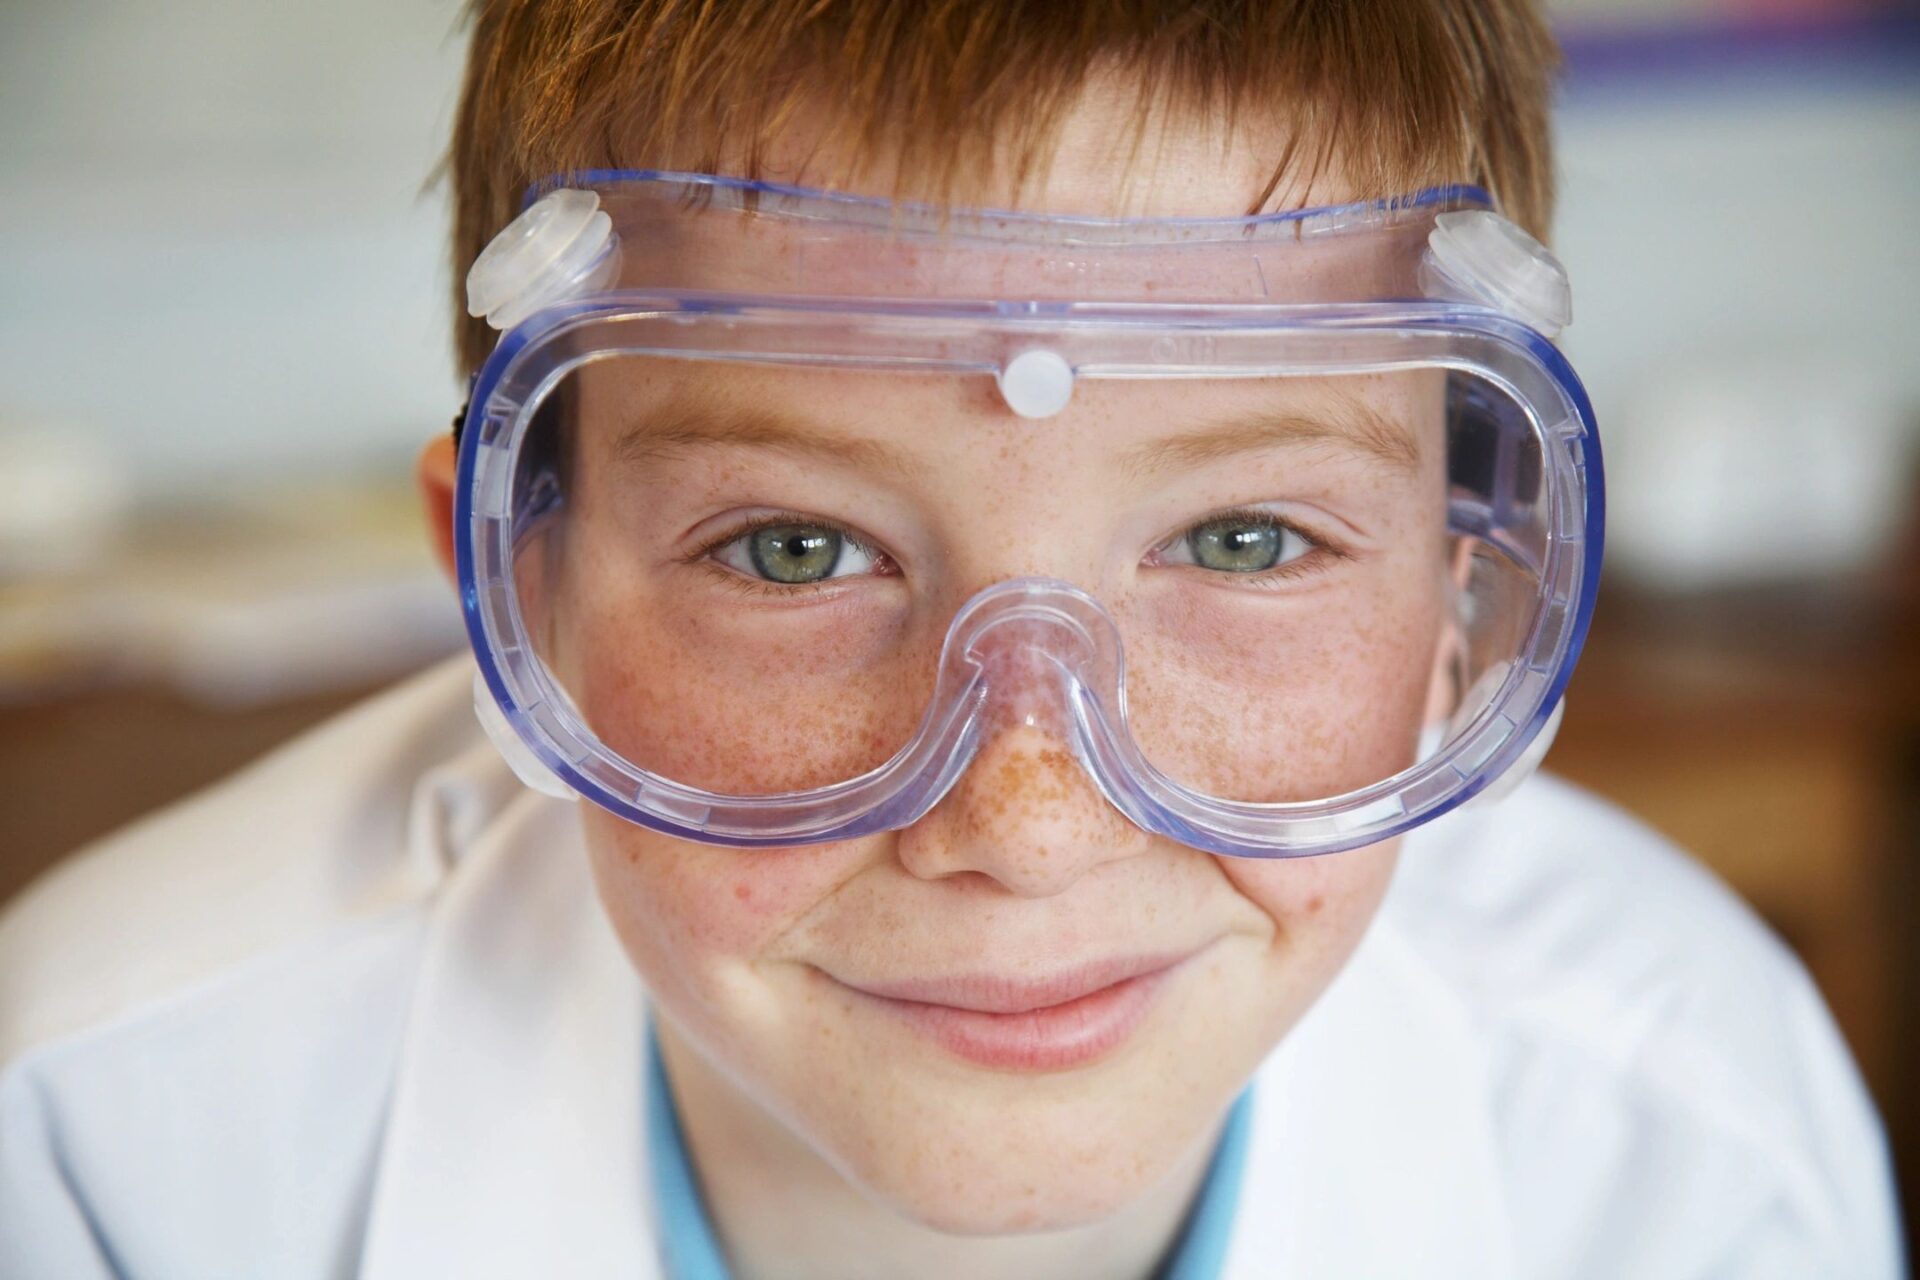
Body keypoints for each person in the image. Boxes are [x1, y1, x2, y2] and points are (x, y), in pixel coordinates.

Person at [0, 2, 1904, 1277]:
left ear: (1465, 612)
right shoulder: (110, 1155)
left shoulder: (1683, 1167)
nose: (1029, 818)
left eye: (1246, 538)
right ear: (518, 596)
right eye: (796, 547)